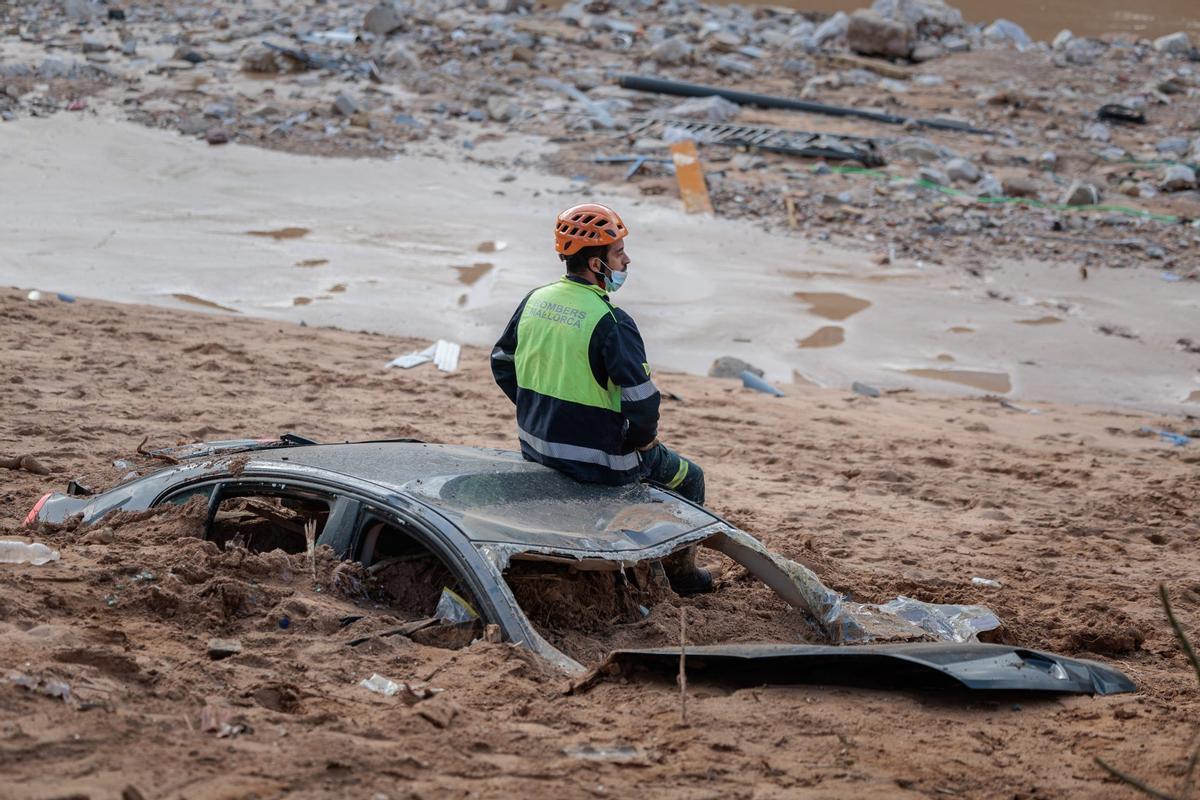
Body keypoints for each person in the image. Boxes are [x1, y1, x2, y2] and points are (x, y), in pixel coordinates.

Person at [490, 203, 711, 594]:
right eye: (619, 252)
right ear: (596, 264)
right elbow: (642, 404)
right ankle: (683, 578)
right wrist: (643, 442)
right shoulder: (611, 322)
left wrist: (538, 409)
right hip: (601, 462)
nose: (627, 260)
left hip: (536, 446)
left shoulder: (535, 300)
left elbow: (502, 363)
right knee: (690, 478)